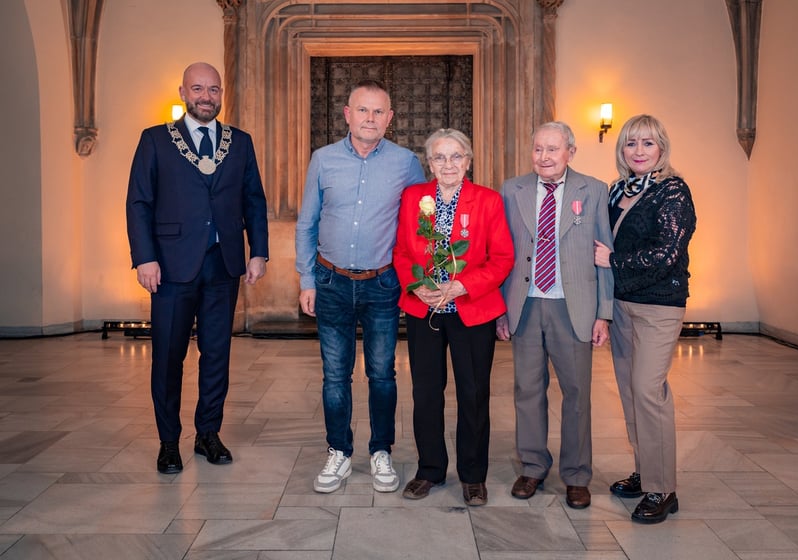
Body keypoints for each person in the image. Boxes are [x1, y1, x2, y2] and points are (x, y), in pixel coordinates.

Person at [126, 62, 269, 474]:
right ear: (183, 92)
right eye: (198, 89)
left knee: (217, 354)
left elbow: (254, 200)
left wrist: (258, 252)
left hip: (223, 264)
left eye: (213, 89)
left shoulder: (239, 142)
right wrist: (145, 257)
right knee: (168, 356)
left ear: (221, 94)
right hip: (171, 267)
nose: (206, 96)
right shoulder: (155, 140)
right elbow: (138, 202)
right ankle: (168, 442)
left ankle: (208, 433)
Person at [295, 79, 426, 494]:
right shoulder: (323, 159)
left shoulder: (406, 163)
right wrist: (306, 279)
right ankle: (338, 451)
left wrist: (415, 281)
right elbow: (307, 223)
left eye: (378, 111)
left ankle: (381, 451)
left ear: (390, 118)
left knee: (382, 373)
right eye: (362, 110)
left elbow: (420, 226)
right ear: (347, 114)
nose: (370, 118)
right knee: (335, 375)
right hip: (330, 281)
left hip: (382, 284)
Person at [393, 129, 514, 506]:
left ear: (468, 161)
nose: (448, 164)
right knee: (426, 392)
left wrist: (463, 286)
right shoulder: (413, 197)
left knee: (473, 393)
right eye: (440, 157)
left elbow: (503, 259)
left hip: (471, 310)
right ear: (429, 163)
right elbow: (401, 252)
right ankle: (429, 469)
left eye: (456, 156)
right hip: (425, 309)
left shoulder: (488, 200)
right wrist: (416, 286)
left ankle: (473, 475)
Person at [496, 121, 613, 509]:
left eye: (552, 149)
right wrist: (501, 309)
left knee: (577, 394)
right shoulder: (512, 190)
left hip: (573, 306)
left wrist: (604, 313)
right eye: (538, 149)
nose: (544, 157)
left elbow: (604, 254)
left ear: (570, 152)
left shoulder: (593, 190)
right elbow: (502, 252)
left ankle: (577, 475)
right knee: (527, 391)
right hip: (526, 304)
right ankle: (532, 466)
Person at [594, 114, 696, 524]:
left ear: (662, 148)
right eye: (631, 143)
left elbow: (667, 252)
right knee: (629, 391)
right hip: (622, 304)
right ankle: (645, 470)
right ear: (622, 149)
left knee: (648, 391)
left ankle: (663, 488)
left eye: (647, 143)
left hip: (659, 305)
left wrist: (613, 260)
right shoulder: (618, 190)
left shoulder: (673, 191)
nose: (638, 151)